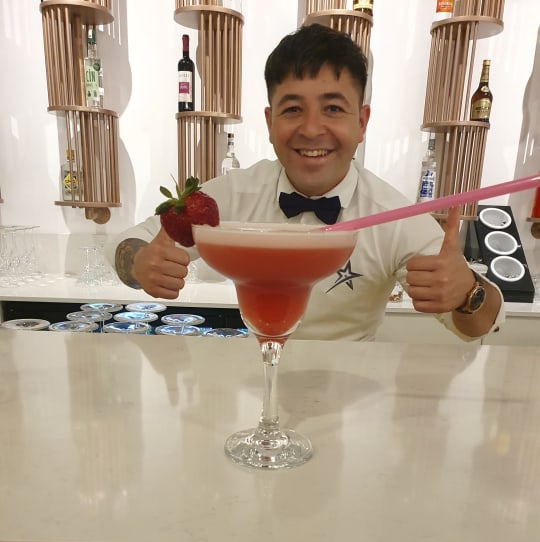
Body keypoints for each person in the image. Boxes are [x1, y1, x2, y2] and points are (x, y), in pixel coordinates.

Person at [106, 23, 503, 342]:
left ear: (361, 122)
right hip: (250, 389)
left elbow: (484, 324)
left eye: (333, 108)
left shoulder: (393, 215)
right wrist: (139, 263)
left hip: (348, 400)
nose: (312, 129)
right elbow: (127, 243)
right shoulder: (235, 192)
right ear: (269, 122)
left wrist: (469, 293)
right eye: (293, 109)